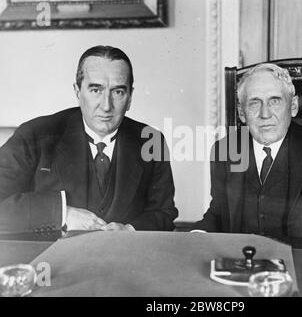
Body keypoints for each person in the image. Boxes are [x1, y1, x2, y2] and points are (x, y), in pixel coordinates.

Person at [0, 45, 178, 234]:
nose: (106, 106)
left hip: (122, 260)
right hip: (49, 261)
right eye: (95, 90)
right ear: (77, 92)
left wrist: (130, 230)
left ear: (130, 97)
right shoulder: (34, 134)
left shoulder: (151, 141)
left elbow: (164, 213)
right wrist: (62, 214)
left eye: (118, 92)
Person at [192, 63, 302, 239]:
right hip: (244, 265)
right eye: (254, 103)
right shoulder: (226, 150)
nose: (265, 114)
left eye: (274, 101)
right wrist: (195, 236)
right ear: (241, 112)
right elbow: (219, 214)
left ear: (293, 106)